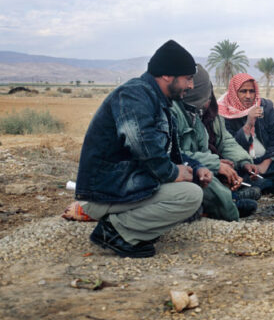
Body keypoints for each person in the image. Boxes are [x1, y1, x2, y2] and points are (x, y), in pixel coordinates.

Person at [74, 40, 208, 258]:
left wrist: (193, 167)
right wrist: (173, 173)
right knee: (190, 195)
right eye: (188, 78)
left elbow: (167, 152)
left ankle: (128, 227)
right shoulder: (135, 95)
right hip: (107, 192)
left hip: (124, 187)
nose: (191, 86)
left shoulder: (157, 100)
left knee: (191, 187)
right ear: (167, 75)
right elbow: (142, 143)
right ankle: (117, 232)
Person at [171, 65, 259, 220]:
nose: (207, 103)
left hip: (213, 162)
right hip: (188, 169)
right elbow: (177, 154)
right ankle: (230, 202)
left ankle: (233, 192)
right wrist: (215, 164)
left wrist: (244, 161)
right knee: (207, 180)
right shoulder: (178, 113)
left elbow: (226, 141)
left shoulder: (209, 111)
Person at [219, 73, 274, 194]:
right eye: (243, 91)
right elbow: (229, 146)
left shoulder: (264, 106)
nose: (248, 96)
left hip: (268, 162)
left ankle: (261, 183)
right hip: (242, 165)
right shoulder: (224, 111)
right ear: (234, 92)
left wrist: (265, 163)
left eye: (251, 91)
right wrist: (248, 124)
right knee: (230, 174)